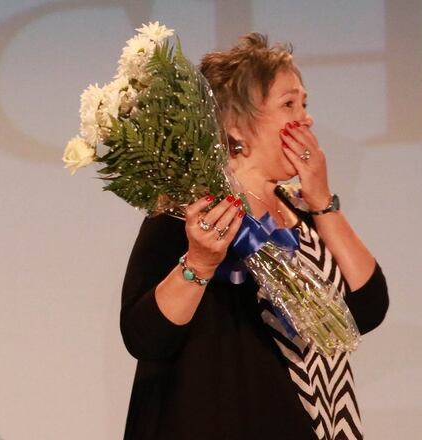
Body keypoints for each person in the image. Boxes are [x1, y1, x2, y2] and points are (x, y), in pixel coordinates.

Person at [119, 33, 389, 440]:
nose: (307, 118)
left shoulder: (303, 210)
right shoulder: (188, 216)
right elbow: (145, 337)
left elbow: (368, 307)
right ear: (236, 126)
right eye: (288, 104)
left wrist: (322, 202)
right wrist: (201, 263)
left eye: (305, 104)